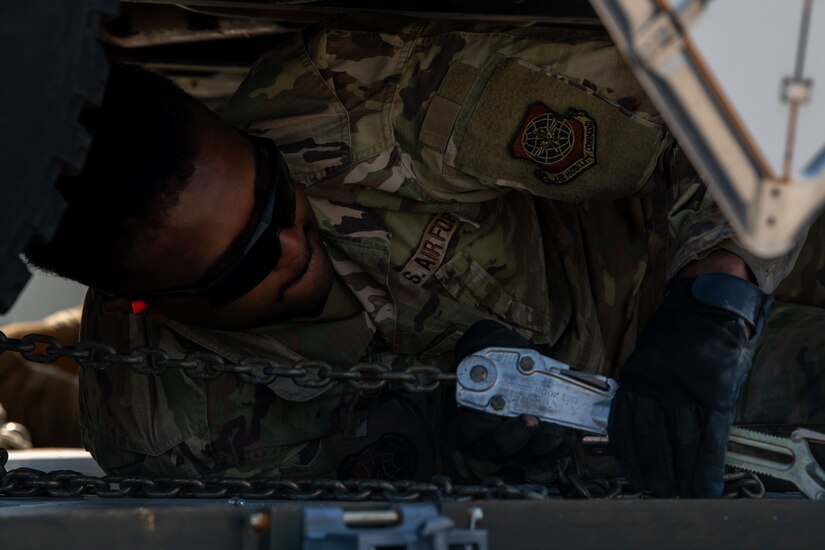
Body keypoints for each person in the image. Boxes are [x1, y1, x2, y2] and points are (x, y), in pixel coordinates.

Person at [22, 14, 823, 497]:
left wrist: (716, 294)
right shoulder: (161, 425)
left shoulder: (361, 102)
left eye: (274, 198)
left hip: (721, 286)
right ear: (145, 305)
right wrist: (460, 456)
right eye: (245, 261)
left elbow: (748, 87)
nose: (296, 247)